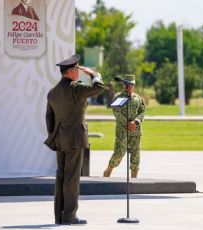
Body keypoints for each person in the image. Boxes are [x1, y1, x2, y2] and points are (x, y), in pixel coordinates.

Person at [44, 54, 105, 225]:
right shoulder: (75, 88)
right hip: (75, 140)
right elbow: (99, 87)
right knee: (72, 179)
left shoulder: (52, 92)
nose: (78, 72)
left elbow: (49, 118)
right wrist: (94, 74)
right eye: (77, 69)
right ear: (70, 71)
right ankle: (69, 216)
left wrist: (54, 136)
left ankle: (59, 215)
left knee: (61, 176)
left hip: (60, 140)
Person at [103, 76, 145, 178]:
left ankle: (134, 179)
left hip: (135, 131)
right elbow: (116, 112)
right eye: (128, 85)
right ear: (124, 85)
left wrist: (136, 121)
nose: (130, 87)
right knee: (119, 153)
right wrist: (127, 123)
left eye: (132, 85)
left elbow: (142, 112)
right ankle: (108, 170)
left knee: (135, 154)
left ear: (134, 85)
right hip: (123, 131)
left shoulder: (138, 98)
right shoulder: (119, 97)